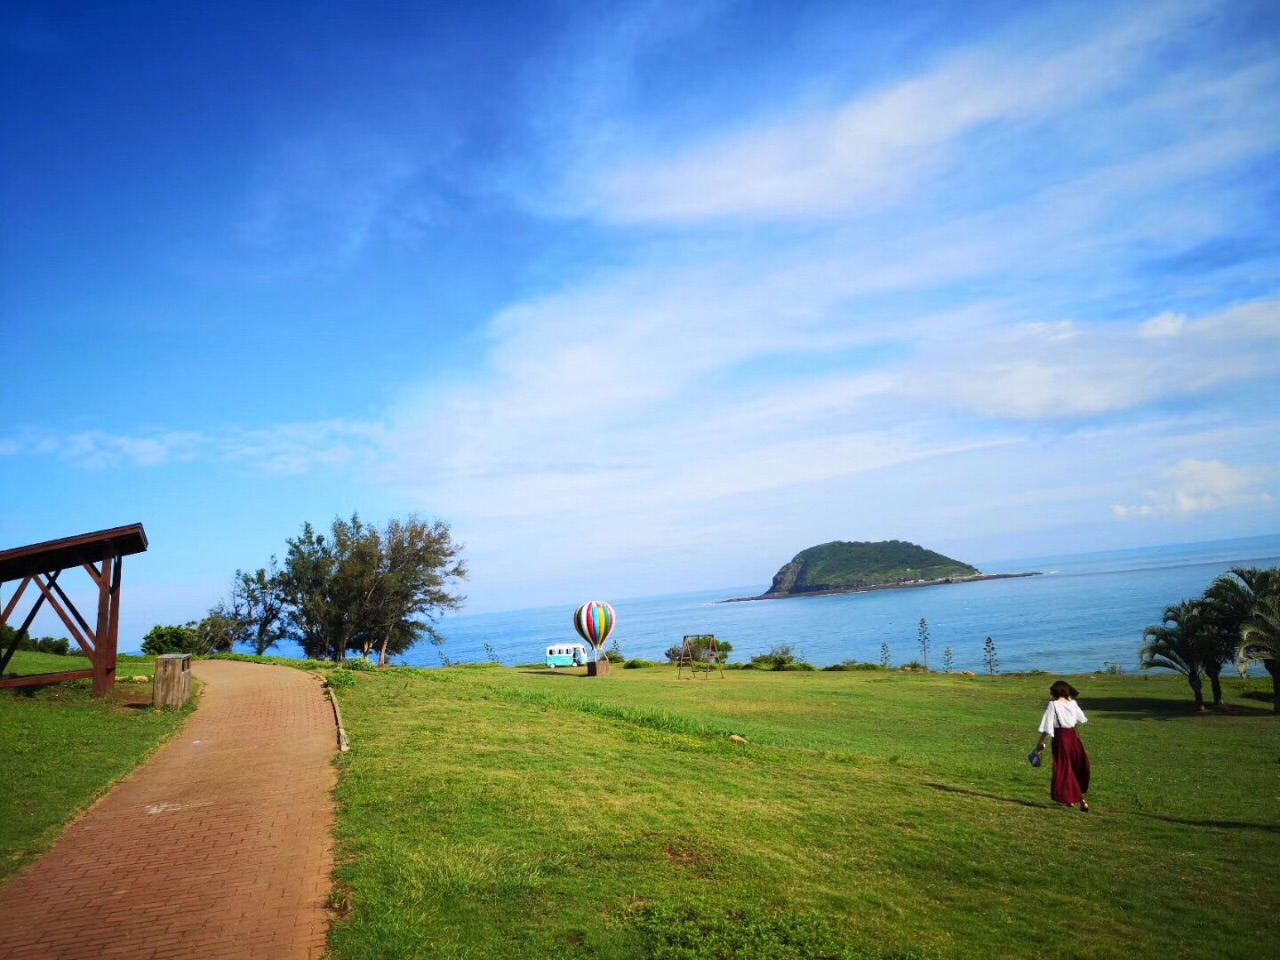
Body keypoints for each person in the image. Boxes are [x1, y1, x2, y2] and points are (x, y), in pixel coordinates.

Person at [1034, 680, 1091, 812]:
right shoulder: (1073, 703)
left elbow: (1048, 726)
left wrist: (1040, 742)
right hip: (1073, 737)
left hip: (1061, 737)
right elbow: (1081, 718)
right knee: (1075, 766)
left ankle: (1080, 800)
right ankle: (1072, 799)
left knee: (1065, 768)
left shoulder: (1053, 705)